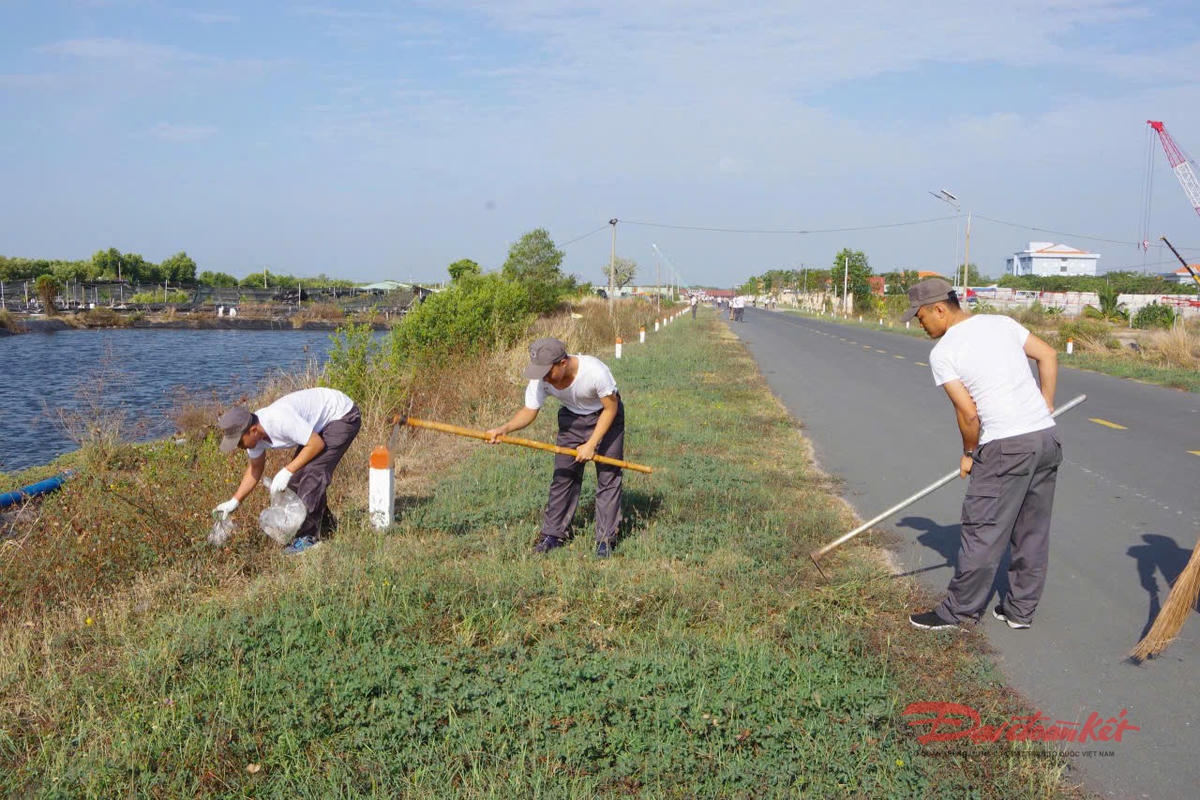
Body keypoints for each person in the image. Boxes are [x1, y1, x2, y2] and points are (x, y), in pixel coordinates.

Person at [902, 278, 1062, 632]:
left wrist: (969, 453)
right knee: (1031, 531)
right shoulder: (1001, 323)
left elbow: (969, 414)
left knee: (982, 532)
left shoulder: (944, 353)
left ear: (939, 309)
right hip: (1045, 438)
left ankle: (958, 612)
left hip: (1005, 447)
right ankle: (1019, 611)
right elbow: (1048, 355)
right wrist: (1045, 404)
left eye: (921, 317)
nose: (920, 324)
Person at [487, 338, 624, 558]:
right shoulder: (542, 379)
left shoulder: (595, 371)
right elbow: (529, 410)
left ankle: (605, 540)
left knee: (608, 475)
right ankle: (553, 534)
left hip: (606, 417)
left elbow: (611, 408)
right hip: (572, 418)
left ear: (563, 363)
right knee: (564, 475)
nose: (544, 378)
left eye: (547, 372)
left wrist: (591, 444)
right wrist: (505, 428)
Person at [213, 387, 361, 554]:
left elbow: (316, 444)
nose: (239, 447)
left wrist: (287, 470)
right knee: (296, 480)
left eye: (239, 442)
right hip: (320, 425)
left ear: (253, 430)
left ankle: (308, 539)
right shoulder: (253, 437)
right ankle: (326, 525)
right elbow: (255, 469)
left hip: (343, 416)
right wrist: (235, 501)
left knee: (313, 474)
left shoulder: (279, 421)